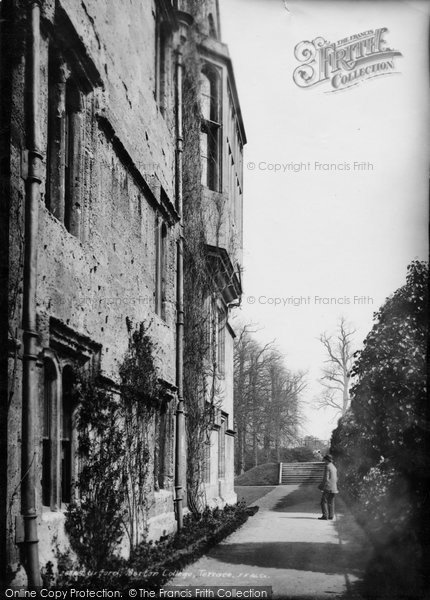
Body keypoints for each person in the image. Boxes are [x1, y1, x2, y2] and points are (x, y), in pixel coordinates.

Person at [318, 454, 338, 520]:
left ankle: (325, 516)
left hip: (328, 487)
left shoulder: (327, 466)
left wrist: (321, 486)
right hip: (334, 487)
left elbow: (326, 478)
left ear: (327, 460)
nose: (324, 461)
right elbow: (336, 478)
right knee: (331, 502)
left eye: (325, 460)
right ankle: (331, 516)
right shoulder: (334, 467)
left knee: (323, 501)